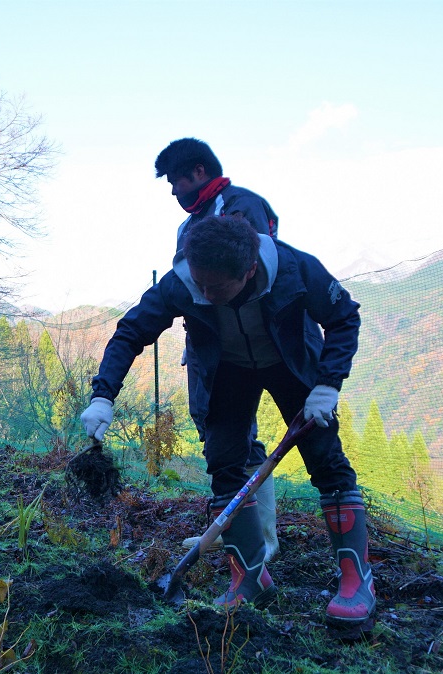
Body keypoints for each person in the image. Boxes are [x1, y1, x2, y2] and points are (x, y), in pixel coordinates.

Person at [81, 215, 375, 627]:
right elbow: (131, 331)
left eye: (216, 287)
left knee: (328, 463)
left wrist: (328, 384)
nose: (203, 294)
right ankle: (251, 580)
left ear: (250, 270)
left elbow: (344, 317)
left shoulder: (295, 270)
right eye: (198, 283)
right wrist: (102, 396)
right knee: (224, 464)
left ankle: (356, 581)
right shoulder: (183, 280)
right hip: (226, 370)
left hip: (290, 365)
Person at [155, 138, 280, 558]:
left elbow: (260, 271)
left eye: (176, 181)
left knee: (239, 436)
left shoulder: (242, 206)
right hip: (204, 343)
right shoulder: (189, 226)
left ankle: (260, 535)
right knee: (212, 429)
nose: (173, 191)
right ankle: (233, 527)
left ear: (199, 172)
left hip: (245, 346)